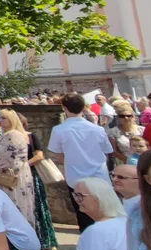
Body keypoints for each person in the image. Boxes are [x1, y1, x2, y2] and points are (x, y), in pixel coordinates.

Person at [47, 93, 113, 232]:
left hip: (76, 177)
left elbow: (57, 155)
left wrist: (72, 161)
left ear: (64, 108)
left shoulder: (59, 130)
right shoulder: (97, 129)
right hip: (99, 175)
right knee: (104, 214)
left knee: (83, 216)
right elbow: (107, 151)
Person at [17, 113, 57, 250]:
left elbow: (39, 155)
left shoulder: (31, 136)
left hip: (30, 174)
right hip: (16, 177)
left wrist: (24, 165)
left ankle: (45, 240)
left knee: (38, 206)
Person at [0, 110, 35, 226]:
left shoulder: (13, 135)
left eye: (3, 118)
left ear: (11, 120)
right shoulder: (9, 134)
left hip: (12, 176)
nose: (0, 121)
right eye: (0, 118)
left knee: (14, 205)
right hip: (8, 174)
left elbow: (15, 159)